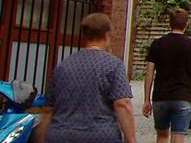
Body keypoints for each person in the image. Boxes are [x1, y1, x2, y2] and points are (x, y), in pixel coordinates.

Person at [36, 13, 135, 143]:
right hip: (99, 134)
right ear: (106, 35)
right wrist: (131, 139)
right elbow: (122, 103)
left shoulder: (63, 66)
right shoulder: (113, 65)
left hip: (60, 134)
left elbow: (48, 110)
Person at [143, 9, 191, 143]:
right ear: (186, 25)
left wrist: (146, 99)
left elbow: (149, 73)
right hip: (183, 96)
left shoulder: (157, 44)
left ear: (169, 24)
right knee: (178, 137)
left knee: (162, 136)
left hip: (161, 96)